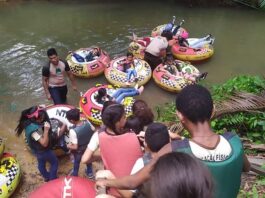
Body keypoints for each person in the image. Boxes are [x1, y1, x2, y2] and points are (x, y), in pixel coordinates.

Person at [96, 84, 250, 198]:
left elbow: (133, 182)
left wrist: (106, 183)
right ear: (213, 110)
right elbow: (246, 168)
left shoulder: (174, 150)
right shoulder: (234, 142)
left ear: (180, 116)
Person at [81, 104, 143, 197]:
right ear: (117, 122)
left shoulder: (99, 135)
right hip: (135, 188)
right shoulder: (133, 135)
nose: (126, 118)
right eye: (124, 117)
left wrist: (102, 154)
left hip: (114, 188)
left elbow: (84, 159)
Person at [15, 105, 60, 182]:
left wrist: (43, 109)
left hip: (36, 151)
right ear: (36, 119)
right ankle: (53, 179)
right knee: (54, 162)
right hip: (44, 151)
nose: (43, 119)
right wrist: (46, 130)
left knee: (41, 163)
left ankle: (46, 176)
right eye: (41, 118)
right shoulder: (34, 132)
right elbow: (44, 143)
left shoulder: (28, 123)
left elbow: (39, 112)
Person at [66, 108, 95, 178]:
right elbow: (93, 130)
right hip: (88, 147)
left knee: (77, 161)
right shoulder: (87, 122)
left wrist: (68, 146)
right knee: (88, 159)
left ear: (72, 121)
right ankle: (90, 172)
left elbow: (75, 147)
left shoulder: (73, 131)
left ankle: (75, 174)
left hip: (79, 150)